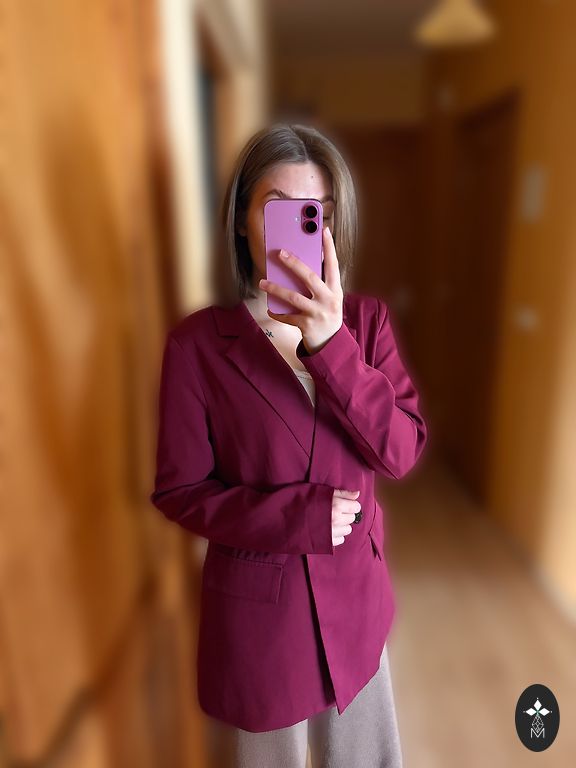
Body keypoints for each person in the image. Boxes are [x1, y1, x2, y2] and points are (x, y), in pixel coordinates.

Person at [150, 123, 428, 767]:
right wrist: (296, 518)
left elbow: (401, 451)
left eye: (315, 212)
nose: (300, 230)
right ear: (242, 220)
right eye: (279, 209)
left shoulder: (365, 325)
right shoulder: (197, 347)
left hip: (356, 601)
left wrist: (331, 345)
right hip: (260, 618)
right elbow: (180, 490)